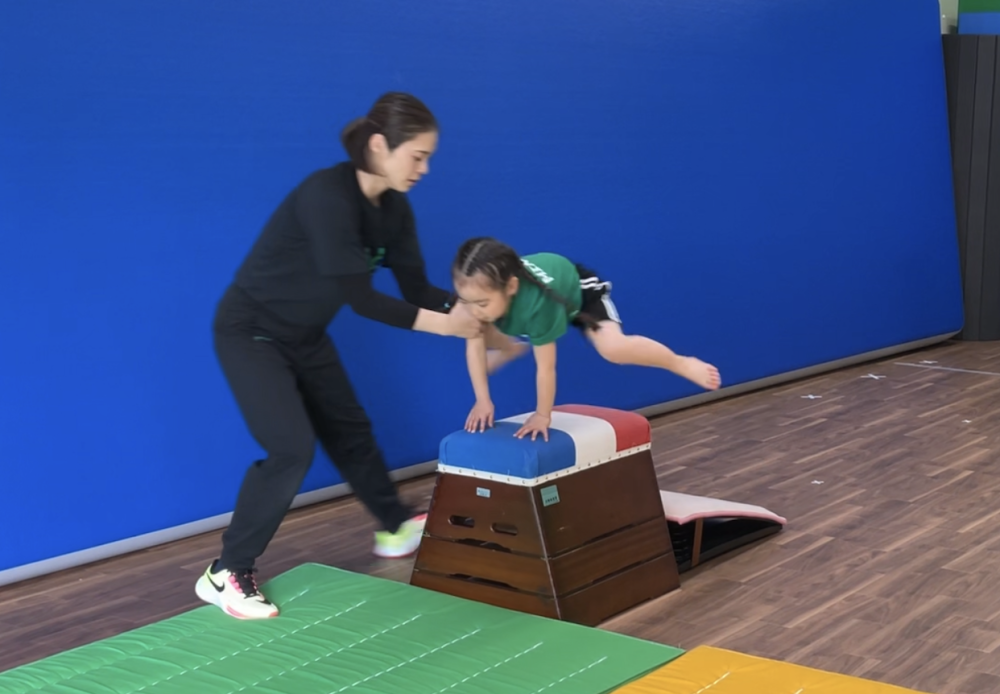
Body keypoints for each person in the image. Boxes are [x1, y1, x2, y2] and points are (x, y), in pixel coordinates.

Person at [195, 92, 492, 621]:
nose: (424, 168)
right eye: (417, 156)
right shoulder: (327, 195)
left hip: (305, 335)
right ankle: (227, 571)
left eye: (428, 158)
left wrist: (475, 309)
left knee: (350, 429)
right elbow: (362, 299)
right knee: (290, 448)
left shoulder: (395, 209)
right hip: (251, 331)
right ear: (379, 145)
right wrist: (450, 326)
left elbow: (416, 289)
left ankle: (394, 526)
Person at [450, 237, 722, 441]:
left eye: (481, 303)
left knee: (613, 349)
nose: (474, 310)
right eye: (466, 300)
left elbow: (546, 368)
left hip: (576, 296)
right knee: (470, 326)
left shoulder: (538, 307)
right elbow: (473, 346)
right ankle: (509, 348)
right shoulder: (476, 299)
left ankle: (680, 363)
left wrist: (543, 415)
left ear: (511, 286)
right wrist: (483, 400)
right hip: (527, 302)